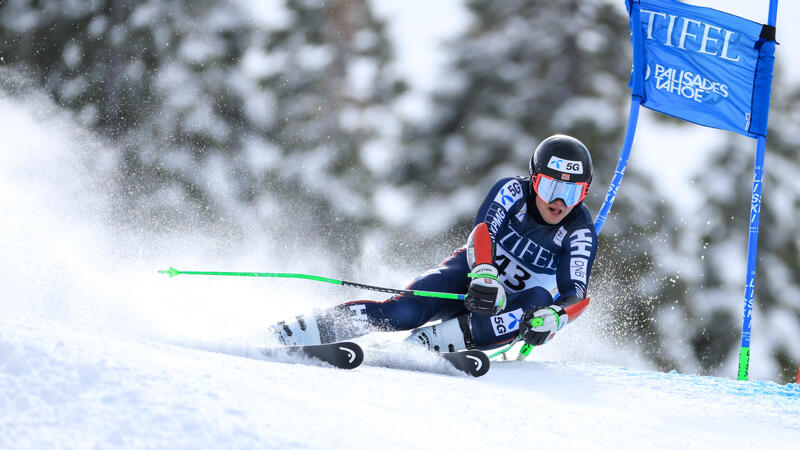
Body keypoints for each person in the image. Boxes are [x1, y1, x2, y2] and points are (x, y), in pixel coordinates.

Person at [270, 134, 598, 353]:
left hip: (509, 308)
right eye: (550, 188)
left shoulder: (579, 230)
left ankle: (425, 347)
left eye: (572, 193)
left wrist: (556, 316)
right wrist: (485, 273)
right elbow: (483, 231)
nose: (559, 203)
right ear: (533, 179)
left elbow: (575, 295)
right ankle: (301, 330)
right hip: (471, 279)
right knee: (402, 311)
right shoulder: (512, 191)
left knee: (540, 299)